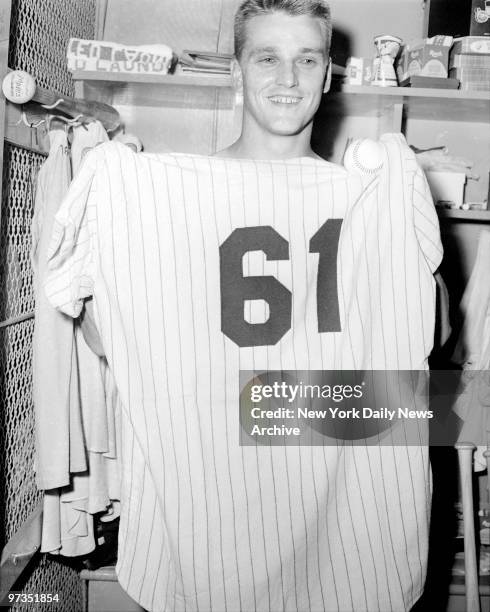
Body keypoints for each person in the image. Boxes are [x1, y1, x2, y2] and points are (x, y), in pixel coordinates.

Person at [48, 1, 442, 610]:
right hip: (208, 501)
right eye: (267, 58)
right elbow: (103, 328)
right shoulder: (160, 196)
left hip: (334, 513)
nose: (288, 79)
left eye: (306, 60)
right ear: (236, 71)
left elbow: (422, 337)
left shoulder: (369, 196)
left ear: (329, 74)